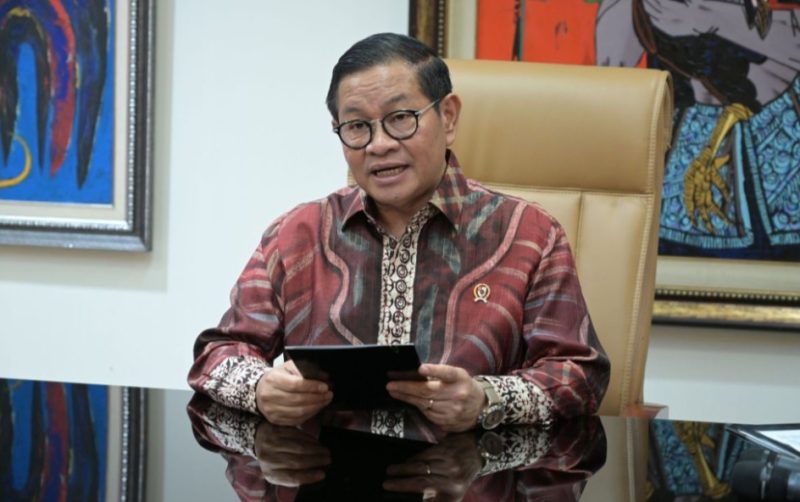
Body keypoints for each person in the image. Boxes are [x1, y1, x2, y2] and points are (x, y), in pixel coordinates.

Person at [188, 32, 609, 435]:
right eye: (357, 126)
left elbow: (579, 375)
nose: (379, 144)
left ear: (448, 117)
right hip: (324, 471)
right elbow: (217, 354)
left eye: (401, 118)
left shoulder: (530, 236)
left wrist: (487, 399)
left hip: (472, 470)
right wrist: (261, 388)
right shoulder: (296, 236)